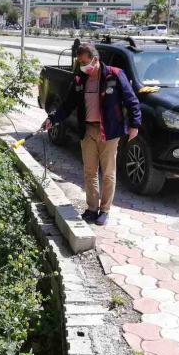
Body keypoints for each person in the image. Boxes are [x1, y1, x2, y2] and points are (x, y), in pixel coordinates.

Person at [42, 43, 142, 226]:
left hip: (109, 132)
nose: (81, 66)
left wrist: (135, 124)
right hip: (87, 130)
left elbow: (132, 101)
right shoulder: (81, 78)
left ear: (95, 60)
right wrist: (53, 118)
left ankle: (104, 210)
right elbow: (68, 104)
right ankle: (91, 208)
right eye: (79, 62)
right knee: (89, 172)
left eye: (83, 62)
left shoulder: (115, 75)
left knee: (108, 174)